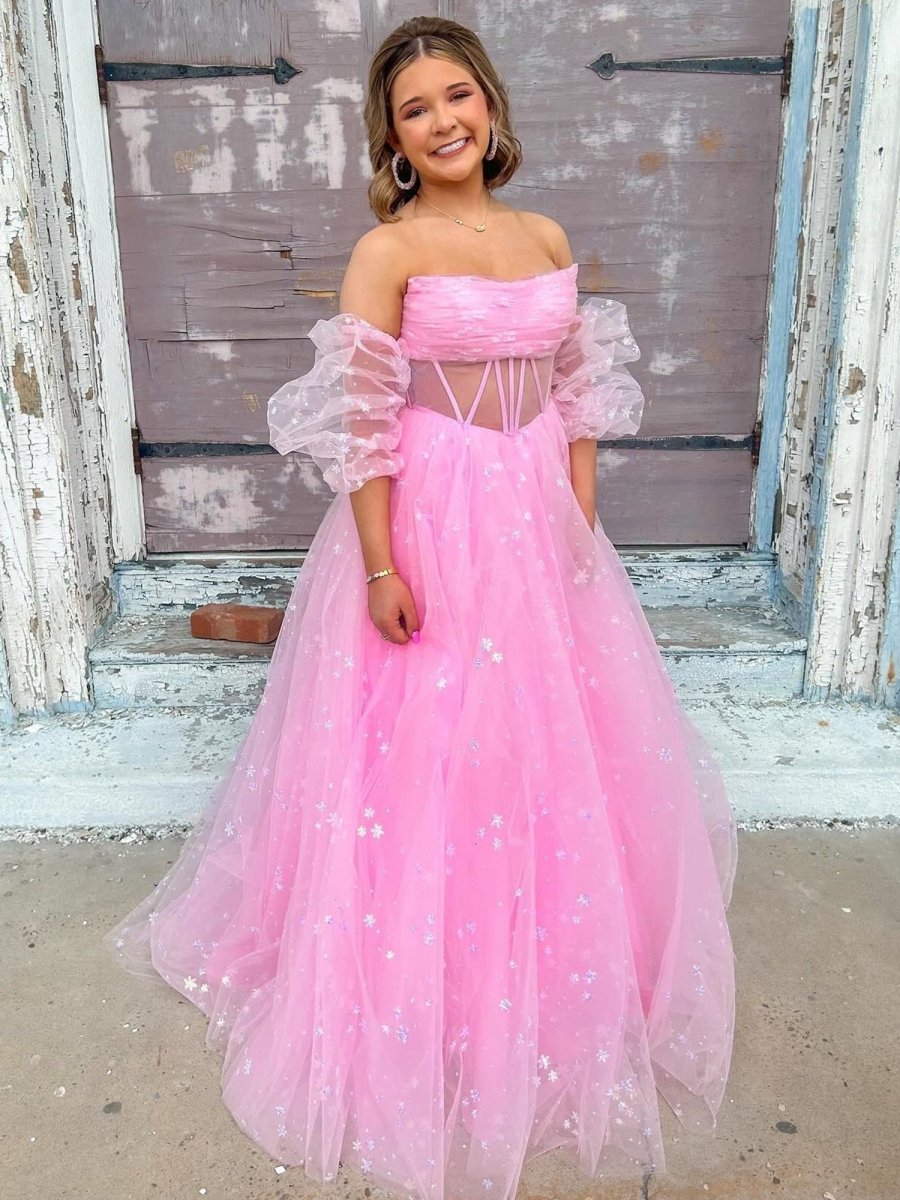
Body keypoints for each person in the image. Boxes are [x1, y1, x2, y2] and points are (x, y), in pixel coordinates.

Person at [103, 15, 738, 1200]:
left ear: (490, 105)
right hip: (436, 511)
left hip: (535, 512)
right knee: (431, 735)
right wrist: (382, 566)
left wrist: (576, 519)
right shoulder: (388, 251)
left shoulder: (544, 236)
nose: (443, 121)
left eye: (458, 96)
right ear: (391, 138)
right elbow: (362, 424)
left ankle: (546, 963)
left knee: (546, 735)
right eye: (415, 109)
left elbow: (579, 392)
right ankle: (423, 977)